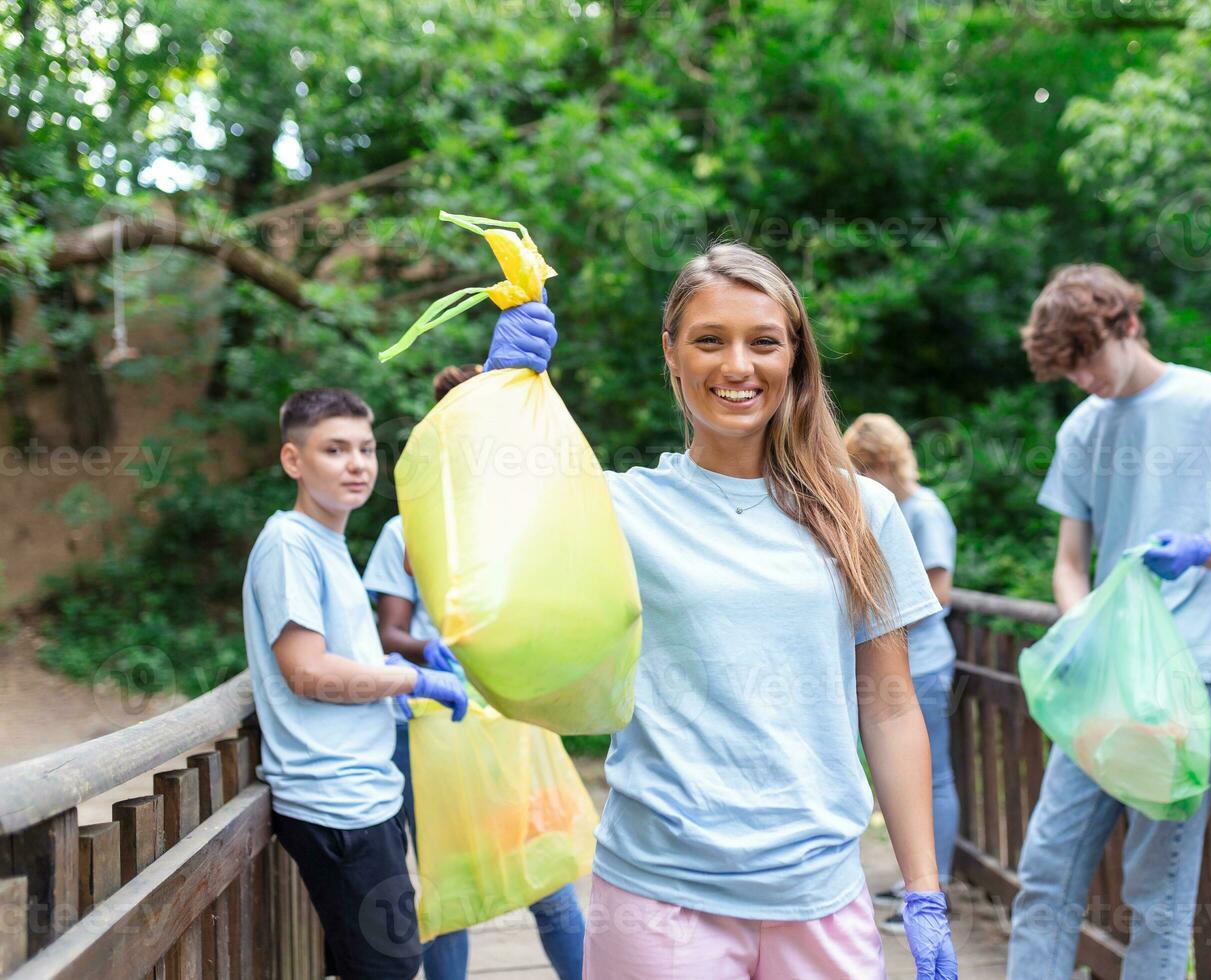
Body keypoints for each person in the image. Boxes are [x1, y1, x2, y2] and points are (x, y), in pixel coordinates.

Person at [480, 242, 959, 979]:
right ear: (672, 352)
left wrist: (923, 892)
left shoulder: (863, 510)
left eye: (763, 342)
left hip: (823, 900)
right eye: (710, 340)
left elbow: (891, 705)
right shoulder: (615, 506)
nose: (738, 366)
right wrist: (499, 402)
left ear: (795, 357)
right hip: (658, 902)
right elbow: (479, 554)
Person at [1007, 265, 1211, 979]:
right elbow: (1071, 562)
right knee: (1047, 869)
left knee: (1158, 890)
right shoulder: (1083, 427)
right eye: (1069, 372)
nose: (1085, 380)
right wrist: (1085, 623)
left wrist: (1202, 550)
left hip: (1186, 679)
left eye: (1088, 359)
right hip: (1104, 681)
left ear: (1127, 324)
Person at [362, 363, 587, 980]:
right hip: (436, 723)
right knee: (447, 880)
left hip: (510, 715)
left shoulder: (516, 520)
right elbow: (389, 631)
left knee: (545, 873)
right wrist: (428, 652)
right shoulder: (403, 527)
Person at [241, 387, 469, 980]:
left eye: (366, 449)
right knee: (390, 968)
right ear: (294, 460)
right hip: (334, 800)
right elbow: (307, 672)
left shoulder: (328, 541)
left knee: (369, 965)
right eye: (335, 449)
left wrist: (409, 669)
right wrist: (409, 679)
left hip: (364, 792)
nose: (358, 464)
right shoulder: (290, 543)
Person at [843, 413, 961, 934]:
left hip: (925, 663)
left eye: (863, 469)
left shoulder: (924, 510)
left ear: (886, 462)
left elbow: (938, 593)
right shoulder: (884, 505)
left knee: (932, 778)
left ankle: (939, 886)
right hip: (892, 663)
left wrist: (870, 615)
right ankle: (912, 879)